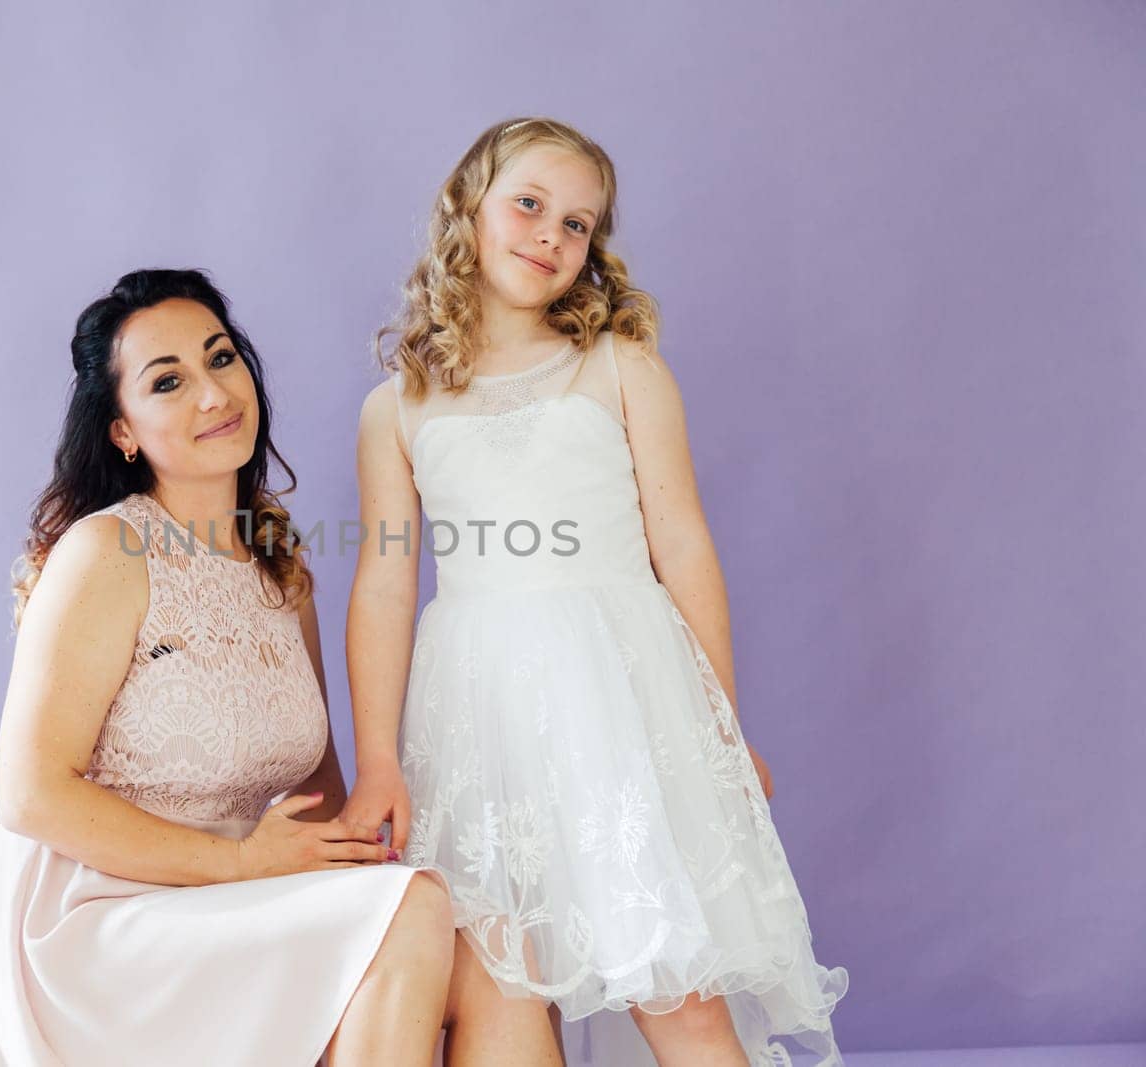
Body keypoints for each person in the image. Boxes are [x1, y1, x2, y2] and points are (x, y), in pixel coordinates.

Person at [340, 118, 850, 1066]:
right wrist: (378, 760)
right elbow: (383, 581)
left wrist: (719, 724)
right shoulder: (398, 406)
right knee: (499, 996)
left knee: (676, 984)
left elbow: (683, 543)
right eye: (528, 205)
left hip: (618, 701)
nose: (550, 235)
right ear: (468, 211)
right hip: (476, 717)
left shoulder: (620, 364)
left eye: (577, 224)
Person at [0, 269, 460, 1066]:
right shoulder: (107, 552)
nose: (213, 394)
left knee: (486, 951)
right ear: (123, 432)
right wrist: (243, 862)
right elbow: (30, 793)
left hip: (224, 907)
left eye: (222, 358)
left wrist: (376, 842)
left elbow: (316, 798)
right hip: (90, 922)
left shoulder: (280, 571)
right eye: (168, 381)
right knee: (414, 911)